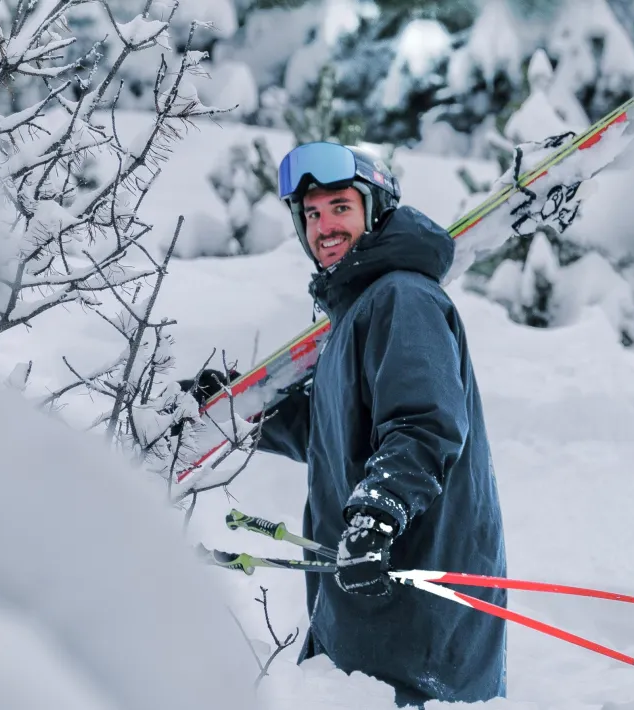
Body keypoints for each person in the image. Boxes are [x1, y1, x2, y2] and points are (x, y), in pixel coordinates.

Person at [182, 142, 508, 707]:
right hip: (367, 619)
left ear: (375, 210)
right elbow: (335, 437)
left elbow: (423, 425)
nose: (324, 226)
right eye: (311, 214)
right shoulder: (358, 315)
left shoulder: (402, 298)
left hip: (413, 625)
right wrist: (250, 408)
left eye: (340, 208)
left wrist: (377, 516)